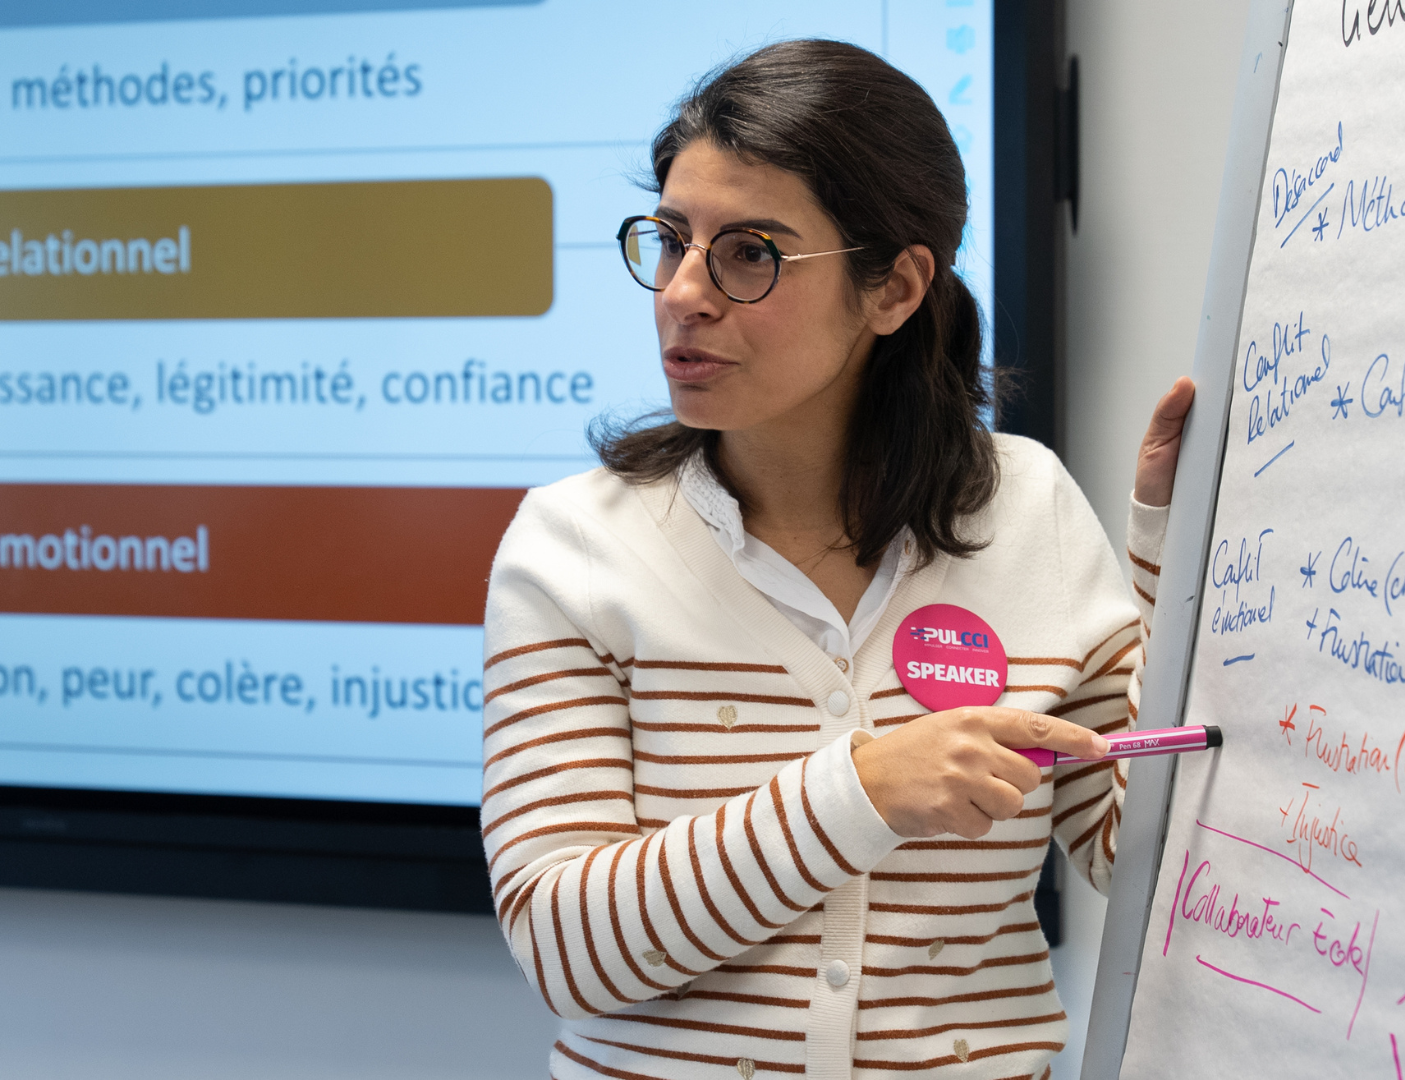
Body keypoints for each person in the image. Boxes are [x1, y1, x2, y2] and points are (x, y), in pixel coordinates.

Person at [481, 39, 1195, 1080]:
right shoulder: (573, 541)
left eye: (749, 253)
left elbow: (1137, 862)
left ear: (895, 289)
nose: (683, 292)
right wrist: (860, 791)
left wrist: (1180, 560)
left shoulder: (1029, 507)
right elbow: (566, 950)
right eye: (671, 240)